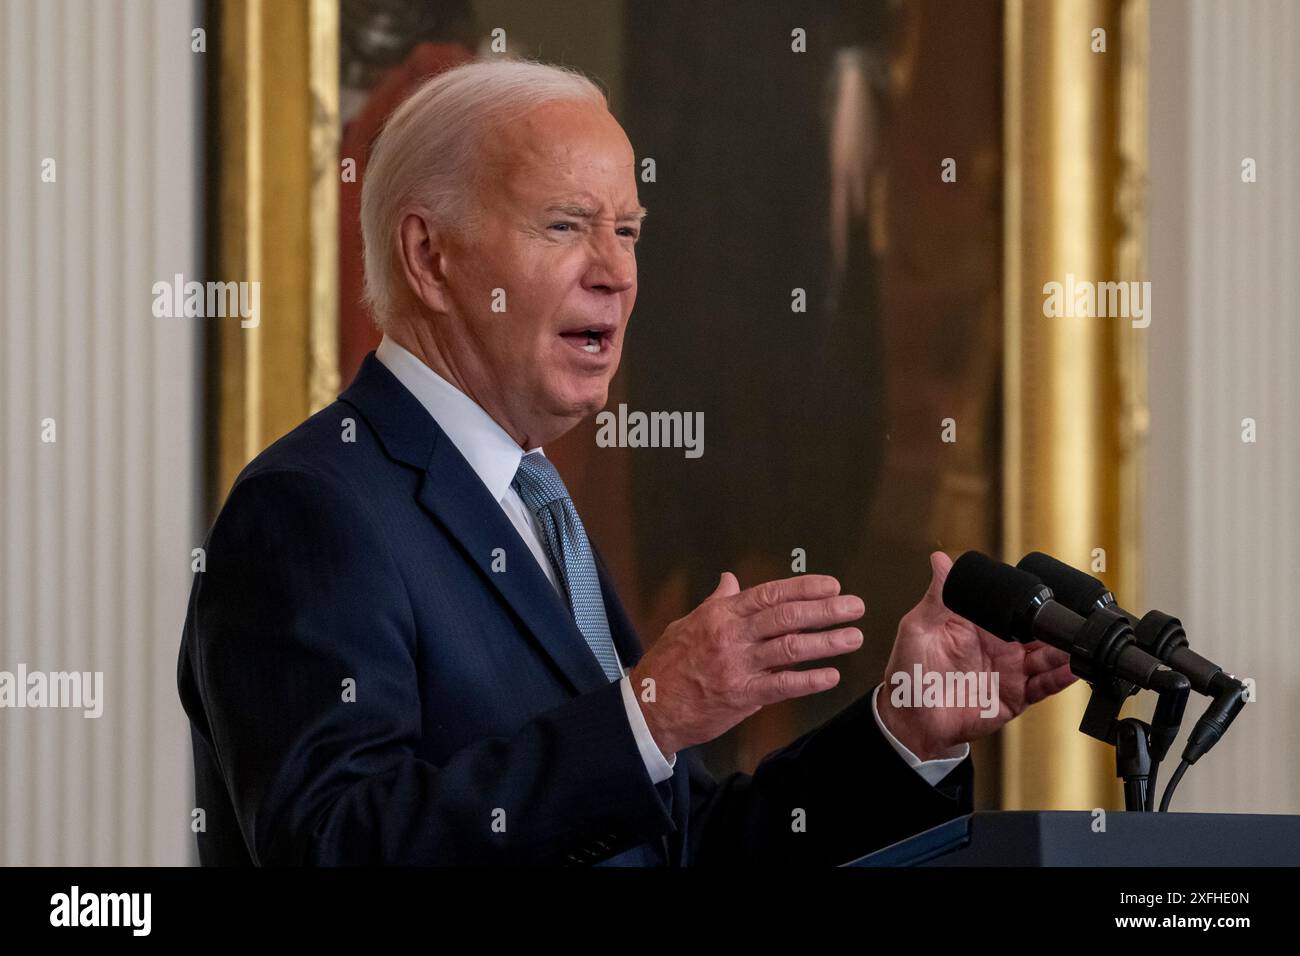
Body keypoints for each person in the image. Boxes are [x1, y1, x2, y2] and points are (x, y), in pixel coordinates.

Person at [177, 59, 1076, 866]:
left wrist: (906, 729)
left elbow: (687, 852)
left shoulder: (537, 508)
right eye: (566, 225)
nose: (615, 271)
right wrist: (645, 716)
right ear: (431, 257)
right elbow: (331, 848)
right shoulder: (311, 511)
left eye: (631, 231)